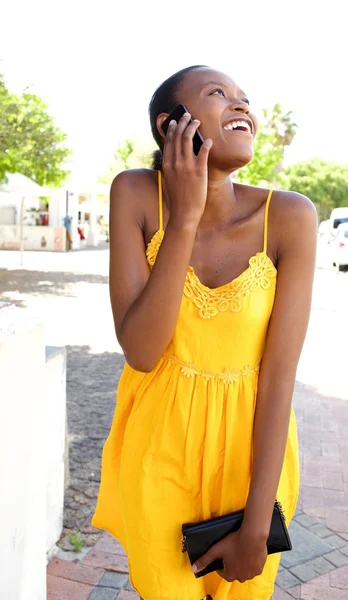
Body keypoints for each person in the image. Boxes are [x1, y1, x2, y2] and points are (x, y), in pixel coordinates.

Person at [92, 66, 317, 600]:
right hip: (159, 453)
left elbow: (279, 376)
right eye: (219, 94)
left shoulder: (289, 216)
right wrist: (186, 216)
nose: (241, 106)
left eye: (244, 98)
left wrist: (257, 524)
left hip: (252, 462)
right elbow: (143, 352)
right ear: (172, 125)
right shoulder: (135, 194)